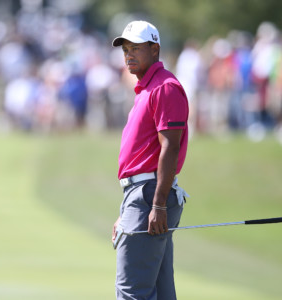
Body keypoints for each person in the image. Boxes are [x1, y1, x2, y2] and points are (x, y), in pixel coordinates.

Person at [111, 21, 190, 300]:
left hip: (149, 196)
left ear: (154, 49)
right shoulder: (148, 88)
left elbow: (170, 147)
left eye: (136, 48)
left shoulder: (164, 87)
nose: (128, 55)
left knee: (132, 292)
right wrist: (127, 211)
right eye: (125, 50)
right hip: (142, 195)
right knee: (160, 291)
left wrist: (156, 204)